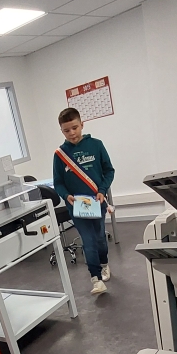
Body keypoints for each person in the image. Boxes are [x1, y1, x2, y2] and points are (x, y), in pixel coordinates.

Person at [53, 107, 114, 295]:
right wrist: (66, 195)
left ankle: (104, 264)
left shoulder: (96, 145)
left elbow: (109, 171)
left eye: (75, 128)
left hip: (97, 202)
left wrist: (102, 190)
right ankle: (96, 279)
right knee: (88, 241)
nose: (72, 133)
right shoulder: (60, 154)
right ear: (61, 131)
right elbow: (58, 182)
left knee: (100, 239)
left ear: (82, 125)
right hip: (77, 207)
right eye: (66, 130)